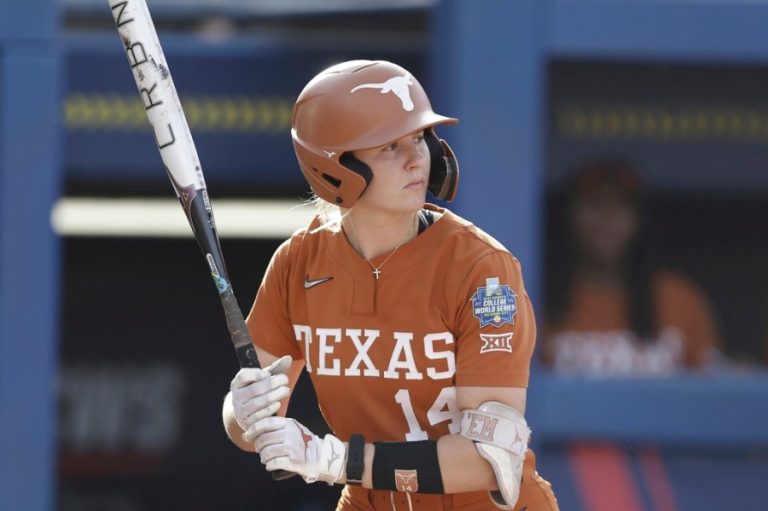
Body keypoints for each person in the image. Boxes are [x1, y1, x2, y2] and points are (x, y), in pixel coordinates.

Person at [221, 60, 558, 510]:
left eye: (419, 138)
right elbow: (249, 428)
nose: (417, 157)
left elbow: (490, 458)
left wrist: (338, 460)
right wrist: (241, 410)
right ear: (335, 166)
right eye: (390, 146)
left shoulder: (482, 270)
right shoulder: (297, 263)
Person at [542, 159, 722, 376]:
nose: (606, 216)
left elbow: (712, 392)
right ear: (568, 216)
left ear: (639, 221)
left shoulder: (679, 299)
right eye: (593, 202)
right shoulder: (535, 300)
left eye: (620, 205)